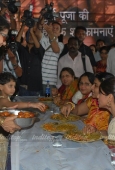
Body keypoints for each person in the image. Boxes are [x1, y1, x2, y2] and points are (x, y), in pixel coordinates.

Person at [16, 23, 45, 96]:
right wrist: (23, 26)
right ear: (25, 38)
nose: (31, 37)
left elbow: (38, 47)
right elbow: (16, 43)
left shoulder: (39, 51)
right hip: (23, 87)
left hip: (37, 88)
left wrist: (32, 32)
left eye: (33, 36)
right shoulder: (22, 50)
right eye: (29, 36)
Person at [36, 20, 64, 95]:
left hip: (51, 81)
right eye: (53, 28)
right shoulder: (44, 39)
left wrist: (50, 32)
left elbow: (56, 49)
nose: (54, 29)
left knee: (49, 104)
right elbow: (37, 33)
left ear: (60, 33)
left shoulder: (60, 44)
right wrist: (41, 23)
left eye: (57, 28)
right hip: (38, 79)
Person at [98, 77, 115, 142]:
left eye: (100, 93)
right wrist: (96, 132)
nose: (97, 96)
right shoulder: (112, 115)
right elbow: (110, 135)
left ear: (110, 97)